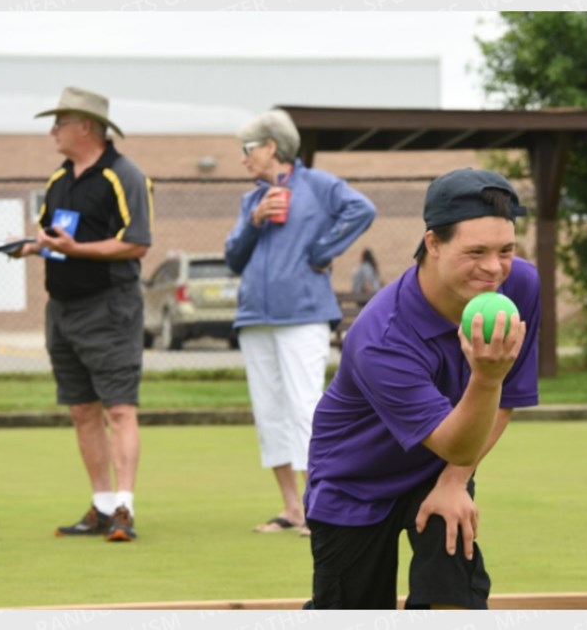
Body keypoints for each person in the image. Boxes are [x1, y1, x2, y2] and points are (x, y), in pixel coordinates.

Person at [303, 168, 540, 609]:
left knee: (453, 598)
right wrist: (487, 377)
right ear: (433, 243)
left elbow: (503, 401)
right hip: (355, 481)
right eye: (476, 251)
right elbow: (463, 429)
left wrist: (454, 482)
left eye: (505, 250)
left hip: (439, 466)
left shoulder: (519, 286)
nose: (494, 269)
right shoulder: (381, 336)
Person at [225, 109, 376, 535]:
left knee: (306, 406)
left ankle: (320, 505)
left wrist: (322, 251)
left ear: (271, 147)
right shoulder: (250, 199)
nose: (243, 158)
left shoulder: (319, 185)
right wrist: (254, 222)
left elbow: (363, 210)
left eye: (247, 149)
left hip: (305, 314)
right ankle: (292, 509)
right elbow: (234, 257)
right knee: (269, 411)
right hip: (255, 317)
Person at [11, 86, 153, 542]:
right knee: (81, 410)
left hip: (109, 308)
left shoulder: (125, 176)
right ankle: (101, 506)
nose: (53, 131)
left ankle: (125, 510)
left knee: (119, 409)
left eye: (60, 123)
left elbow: (137, 242)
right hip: (63, 310)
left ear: (86, 126)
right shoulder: (58, 179)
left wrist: (76, 250)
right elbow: (53, 237)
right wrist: (34, 248)